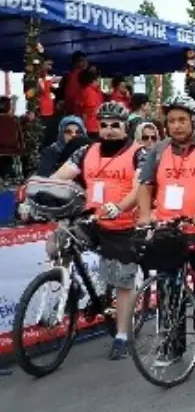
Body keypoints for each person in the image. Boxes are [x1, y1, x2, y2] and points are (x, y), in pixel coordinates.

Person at [135, 94, 195, 364]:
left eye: (182, 120)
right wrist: (144, 214)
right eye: (172, 120)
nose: (176, 125)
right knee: (167, 289)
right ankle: (172, 347)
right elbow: (145, 184)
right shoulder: (158, 150)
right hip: (168, 229)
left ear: (193, 121)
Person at [50, 102, 145, 360]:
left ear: (126, 127)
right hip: (94, 220)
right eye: (104, 125)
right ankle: (71, 283)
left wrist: (121, 206)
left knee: (123, 281)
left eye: (116, 126)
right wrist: (34, 193)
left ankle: (122, 336)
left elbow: (140, 191)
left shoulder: (139, 154)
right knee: (57, 241)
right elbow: (58, 178)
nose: (110, 130)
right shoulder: (85, 151)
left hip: (125, 224)